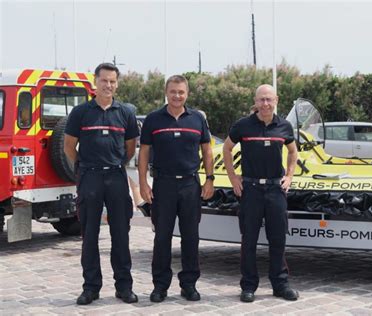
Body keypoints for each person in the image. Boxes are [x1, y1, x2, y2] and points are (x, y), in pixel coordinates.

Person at [64, 63, 140, 305]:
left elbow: (130, 148)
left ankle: (124, 287)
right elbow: (68, 146)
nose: (108, 85)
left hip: (116, 178)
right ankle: (91, 287)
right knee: (89, 235)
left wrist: (115, 164)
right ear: (95, 83)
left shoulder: (126, 112)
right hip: (90, 178)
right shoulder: (81, 112)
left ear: (117, 84)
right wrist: (85, 167)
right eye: (104, 80)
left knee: (121, 234)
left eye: (113, 81)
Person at [138, 75, 214, 303]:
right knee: (162, 238)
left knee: (191, 237)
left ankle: (189, 285)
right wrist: (143, 183)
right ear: (166, 92)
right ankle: (160, 286)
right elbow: (143, 153)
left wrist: (209, 179)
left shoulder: (197, 120)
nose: (177, 96)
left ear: (187, 94)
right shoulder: (153, 119)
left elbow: (207, 151)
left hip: (191, 185)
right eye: (173, 91)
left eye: (181, 92)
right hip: (164, 186)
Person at [223, 84, 299, 303]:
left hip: (276, 190)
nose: (265, 104)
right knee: (249, 240)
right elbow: (227, 149)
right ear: (255, 102)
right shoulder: (243, 126)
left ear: (276, 100)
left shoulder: (284, 126)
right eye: (261, 100)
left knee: (278, 239)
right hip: (251, 191)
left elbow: (293, 151)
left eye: (269, 99)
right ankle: (248, 286)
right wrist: (233, 178)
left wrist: (290, 176)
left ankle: (280, 284)